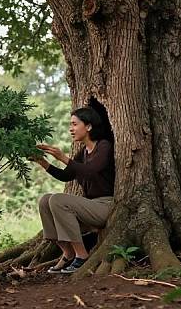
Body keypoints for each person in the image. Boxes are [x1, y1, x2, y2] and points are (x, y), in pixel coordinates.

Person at [34, 106, 114, 274]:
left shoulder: (104, 146)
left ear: (89, 126)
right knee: (45, 200)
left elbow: (92, 170)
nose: (71, 129)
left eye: (75, 124)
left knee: (58, 200)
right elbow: (66, 176)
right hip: (90, 205)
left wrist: (62, 157)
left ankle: (82, 255)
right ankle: (67, 252)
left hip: (106, 205)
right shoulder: (83, 152)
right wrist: (43, 163)